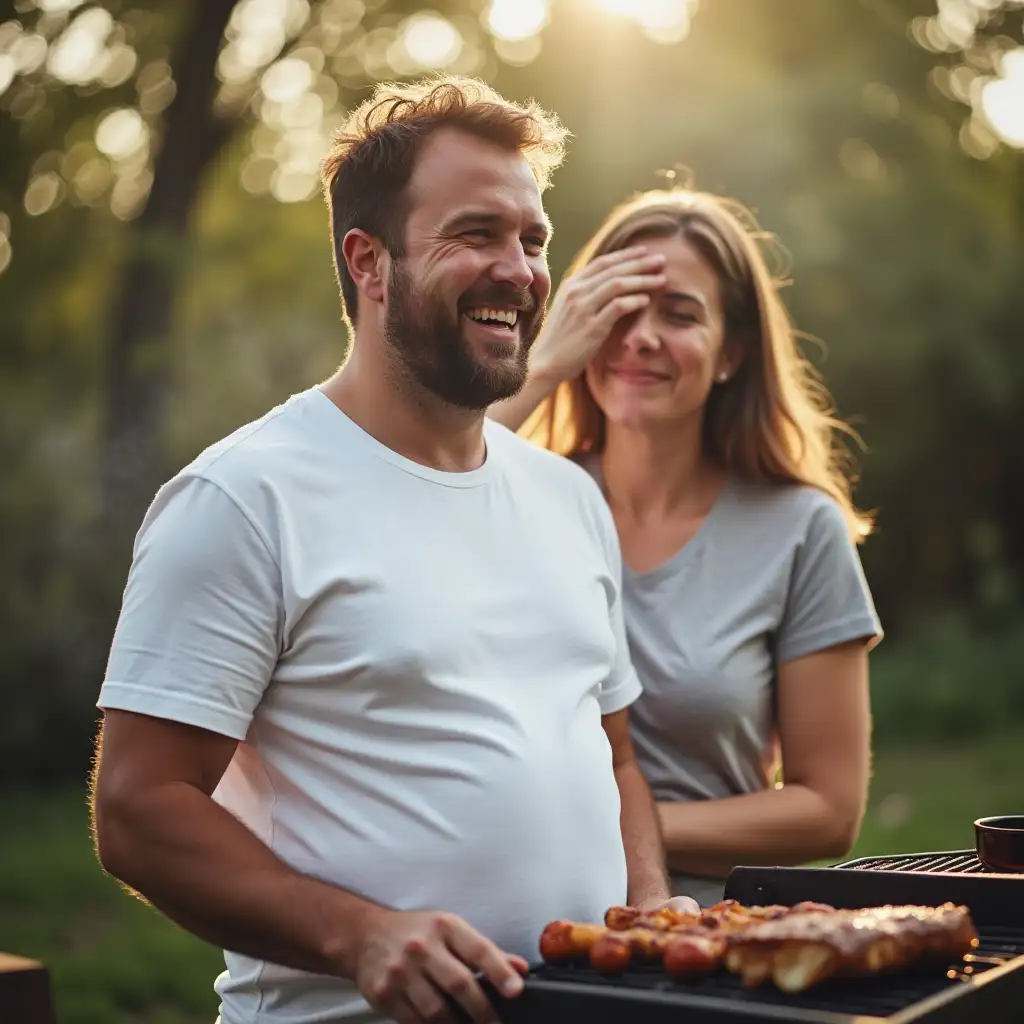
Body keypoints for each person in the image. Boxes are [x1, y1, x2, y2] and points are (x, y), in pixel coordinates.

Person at [89, 78, 695, 1024]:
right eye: (475, 235)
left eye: (532, 240)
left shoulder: (569, 497)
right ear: (368, 263)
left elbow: (614, 760)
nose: (521, 270)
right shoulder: (245, 497)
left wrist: (651, 906)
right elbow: (137, 810)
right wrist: (360, 932)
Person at [490, 187, 883, 907]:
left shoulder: (799, 529)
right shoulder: (510, 496)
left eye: (679, 314)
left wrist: (619, 828)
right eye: (618, 308)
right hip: (519, 927)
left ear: (731, 352)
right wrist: (538, 369)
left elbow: (829, 810)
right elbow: (406, 489)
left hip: (712, 939)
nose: (641, 335)